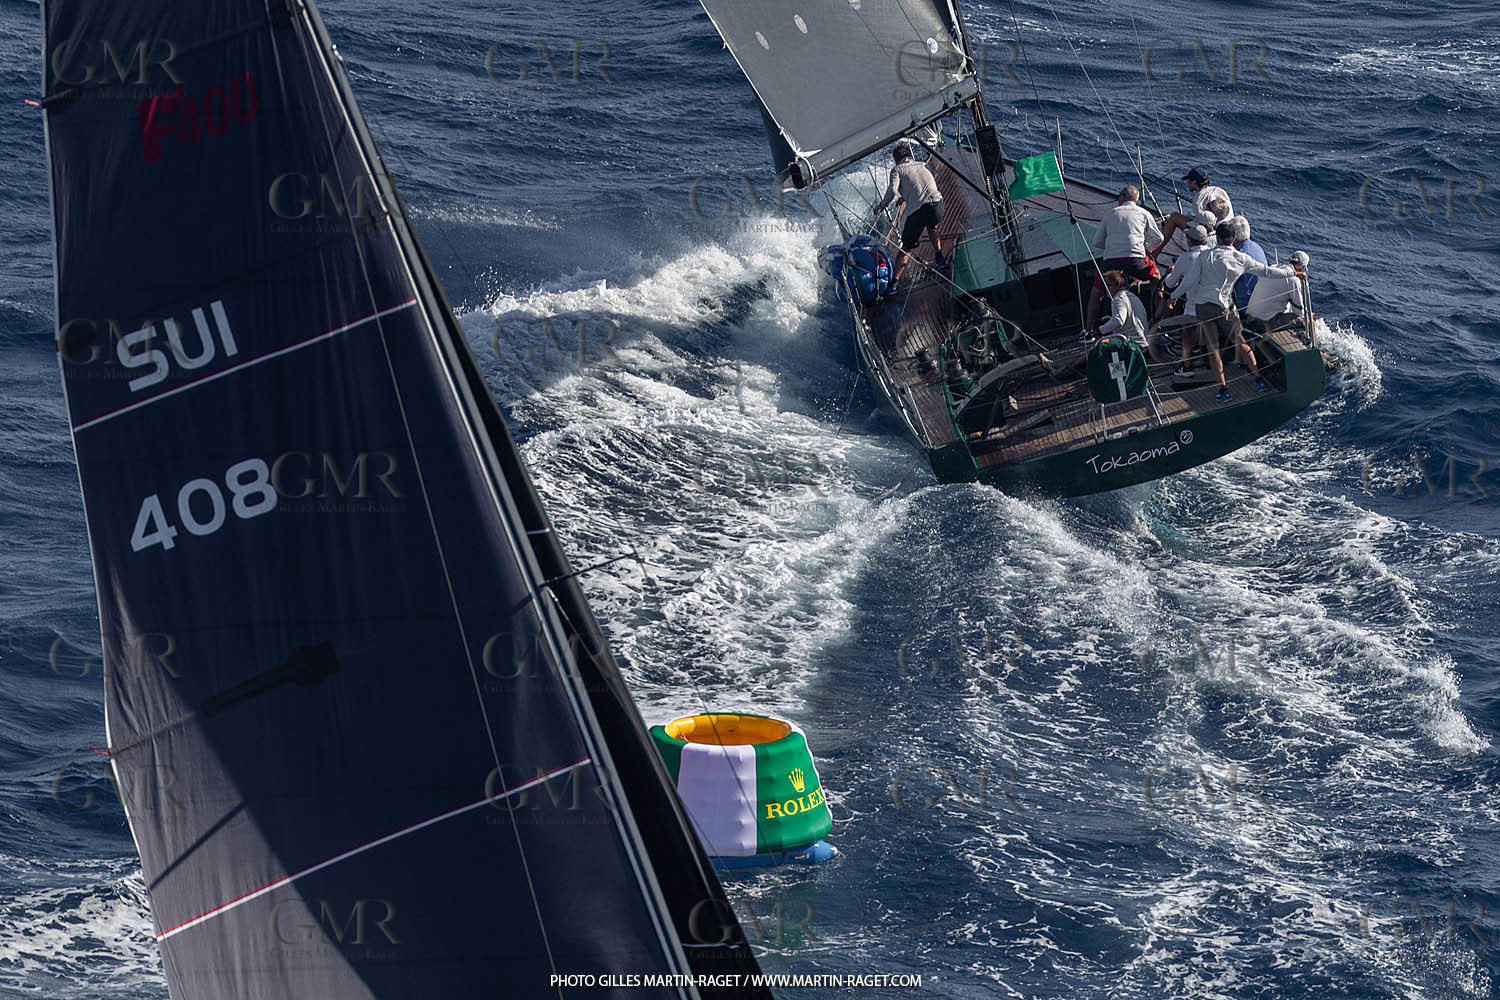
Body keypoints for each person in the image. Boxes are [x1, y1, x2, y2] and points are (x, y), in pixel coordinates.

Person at [1171, 221, 1305, 403]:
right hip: (1226, 307)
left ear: (1217, 238)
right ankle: (1259, 379)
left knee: (1213, 350)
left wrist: (1172, 295)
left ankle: (1223, 390)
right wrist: (1292, 272)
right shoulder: (1241, 258)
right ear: (1233, 239)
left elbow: (1188, 282)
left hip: (1204, 308)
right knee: (1240, 343)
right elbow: (1267, 272)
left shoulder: (1205, 257)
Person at [1084, 185, 1161, 334]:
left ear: (1124, 197)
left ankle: (1088, 330)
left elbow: (1097, 243)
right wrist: (1147, 249)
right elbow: (1159, 238)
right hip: (1136, 260)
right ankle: (1158, 319)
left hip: (1111, 260)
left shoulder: (1110, 214)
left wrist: (1113, 246)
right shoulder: (1144, 213)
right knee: (1156, 277)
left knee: (1097, 290)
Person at [871, 143, 946, 293]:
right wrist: (904, 198)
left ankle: (893, 284)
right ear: (909, 156)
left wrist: (882, 205)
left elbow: (892, 190)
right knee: (932, 227)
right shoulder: (923, 165)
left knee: (906, 248)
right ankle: (940, 258)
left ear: (896, 159)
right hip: (938, 206)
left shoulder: (897, 169)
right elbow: (922, 186)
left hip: (919, 211)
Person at [1152, 167, 1234, 258]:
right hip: (1228, 231)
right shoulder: (1220, 191)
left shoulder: (1198, 200)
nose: (1188, 184)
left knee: (1174, 218)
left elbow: (1203, 226)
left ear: (1194, 182)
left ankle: (1155, 253)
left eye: (1189, 181)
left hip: (1212, 234)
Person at [1244, 250, 1311, 327]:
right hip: (1263, 321)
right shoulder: (1294, 280)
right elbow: (1299, 312)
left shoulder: (1273, 267)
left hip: (1250, 314)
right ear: (1302, 268)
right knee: (1307, 321)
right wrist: (1308, 316)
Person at [1228, 215, 1266, 311]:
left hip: (1244, 306)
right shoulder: (1257, 248)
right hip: (1261, 302)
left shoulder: (1237, 256)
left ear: (1234, 237)